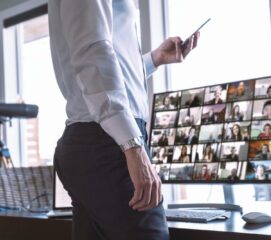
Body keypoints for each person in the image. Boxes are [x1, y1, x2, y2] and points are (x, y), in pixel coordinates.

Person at [49, 0, 200, 239]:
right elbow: (93, 54)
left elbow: (106, 59)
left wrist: (155, 59)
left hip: (94, 141)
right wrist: (132, 145)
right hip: (107, 143)